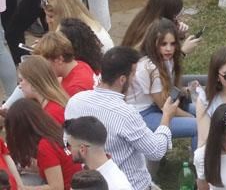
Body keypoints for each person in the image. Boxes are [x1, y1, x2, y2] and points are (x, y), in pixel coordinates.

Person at [64, 46, 179, 190]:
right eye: (133, 74)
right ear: (122, 79)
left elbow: (67, 142)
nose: (135, 78)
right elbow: (155, 151)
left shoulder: (75, 102)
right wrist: (166, 117)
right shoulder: (125, 114)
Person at [64, 117, 135, 190]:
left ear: (82, 149)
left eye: (69, 146)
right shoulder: (90, 172)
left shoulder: (116, 186)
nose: (68, 150)